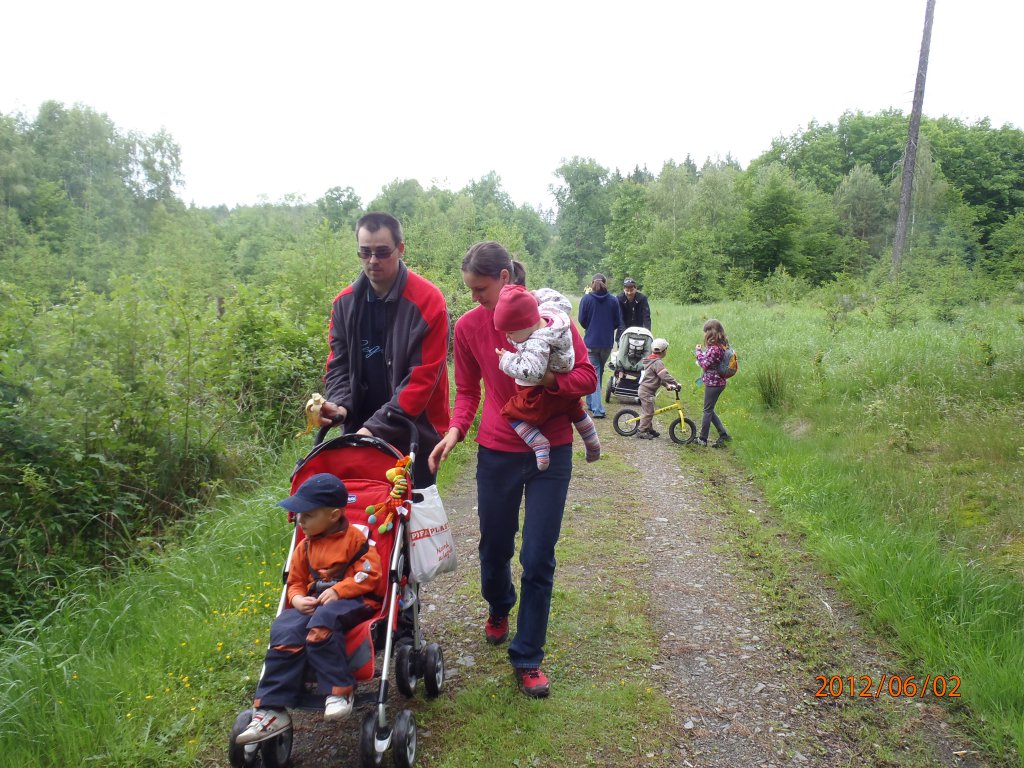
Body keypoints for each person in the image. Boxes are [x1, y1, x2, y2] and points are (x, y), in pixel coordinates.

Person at [428, 241, 597, 698]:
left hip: (552, 450)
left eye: (480, 289)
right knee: (495, 547)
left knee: (538, 556)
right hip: (497, 450)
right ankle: (499, 604)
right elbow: (468, 391)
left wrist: (545, 377)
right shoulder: (468, 326)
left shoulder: (550, 319)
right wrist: (455, 432)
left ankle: (528, 656)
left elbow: (587, 377)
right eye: (470, 290)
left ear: (505, 278)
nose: (473, 298)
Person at [236, 473, 384, 745]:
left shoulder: (355, 539)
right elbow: (294, 582)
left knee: (322, 621)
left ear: (334, 515)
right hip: (315, 602)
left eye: (307, 515)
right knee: (285, 627)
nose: (300, 520)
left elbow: (369, 574)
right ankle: (272, 707)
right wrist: (295, 599)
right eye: (298, 515)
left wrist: (339, 590)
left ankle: (340, 690)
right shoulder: (304, 547)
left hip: (356, 600)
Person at [318, 212, 450, 491]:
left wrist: (373, 430)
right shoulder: (344, 304)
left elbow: (421, 381)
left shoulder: (429, 301)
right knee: (362, 514)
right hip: (359, 433)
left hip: (415, 436)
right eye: (365, 252)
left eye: (382, 252)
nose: (373, 260)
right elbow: (338, 366)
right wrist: (339, 405)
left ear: (400, 249)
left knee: (411, 514)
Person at [493, 284, 601, 470]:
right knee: (575, 409)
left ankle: (539, 443)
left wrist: (506, 360)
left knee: (510, 412)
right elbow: (560, 300)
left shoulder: (537, 342)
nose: (508, 337)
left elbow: (533, 372)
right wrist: (536, 295)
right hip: (566, 391)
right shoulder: (555, 316)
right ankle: (592, 442)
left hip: (541, 396)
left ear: (526, 324)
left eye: (510, 332)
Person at [576, 273, 621, 419]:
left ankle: (597, 408)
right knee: (597, 373)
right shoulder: (613, 300)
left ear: (592, 283)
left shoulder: (586, 299)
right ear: (605, 283)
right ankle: (592, 403)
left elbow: (582, 319)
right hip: (607, 343)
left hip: (591, 342)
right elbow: (617, 321)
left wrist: (590, 327)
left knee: (594, 373)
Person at [694, 319, 733, 448]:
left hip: (714, 383)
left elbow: (704, 364)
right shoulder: (720, 346)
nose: (704, 334)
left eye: (706, 331)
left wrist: (698, 353)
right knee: (709, 409)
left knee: (707, 411)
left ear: (711, 332)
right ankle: (723, 434)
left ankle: (703, 439)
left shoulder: (715, 349)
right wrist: (702, 353)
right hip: (717, 382)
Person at [636, 337, 680, 439]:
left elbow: (659, 377)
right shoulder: (657, 362)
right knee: (648, 412)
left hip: (645, 390)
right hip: (646, 392)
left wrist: (667, 385)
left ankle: (649, 429)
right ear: (663, 351)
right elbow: (664, 375)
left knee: (649, 410)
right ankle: (641, 431)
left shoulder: (652, 360)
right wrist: (675, 383)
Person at [615, 277, 652, 342]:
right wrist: (625, 333)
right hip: (623, 331)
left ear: (636, 289)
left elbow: (646, 317)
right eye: (627, 290)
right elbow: (619, 318)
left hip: (639, 331)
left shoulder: (642, 298)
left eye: (631, 290)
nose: (629, 293)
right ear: (624, 290)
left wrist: (647, 333)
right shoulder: (619, 299)